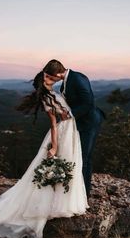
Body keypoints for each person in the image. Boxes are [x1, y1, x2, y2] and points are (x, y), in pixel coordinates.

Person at [0, 70, 89, 238]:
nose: (49, 78)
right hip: (62, 133)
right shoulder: (46, 98)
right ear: (41, 83)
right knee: (58, 167)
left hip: (71, 131)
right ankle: (47, 206)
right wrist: (54, 147)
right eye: (45, 77)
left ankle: (63, 203)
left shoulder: (55, 93)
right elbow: (53, 124)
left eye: (49, 76)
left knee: (71, 164)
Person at [43, 59, 106, 198]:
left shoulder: (77, 79)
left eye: (49, 76)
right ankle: (81, 191)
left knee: (84, 158)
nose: (48, 79)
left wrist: (69, 114)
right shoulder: (67, 80)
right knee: (82, 157)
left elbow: (88, 103)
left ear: (57, 74)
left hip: (89, 122)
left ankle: (84, 195)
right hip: (80, 123)